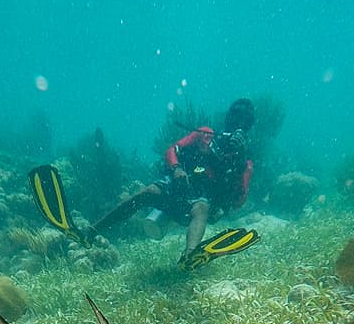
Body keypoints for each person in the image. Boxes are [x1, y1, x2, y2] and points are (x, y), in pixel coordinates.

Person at [90, 98, 257, 264]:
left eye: (244, 121)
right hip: (178, 188)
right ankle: (92, 230)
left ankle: (189, 257)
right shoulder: (205, 134)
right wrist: (176, 168)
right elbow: (172, 149)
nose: (237, 124)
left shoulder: (245, 163)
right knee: (148, 192)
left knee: (201, 208)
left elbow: (238, 201)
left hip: (204, 202)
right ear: (227, 118)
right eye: (235, 117)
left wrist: (240, 160)